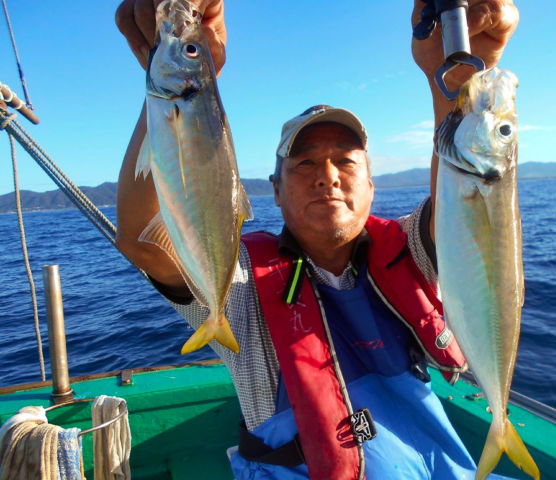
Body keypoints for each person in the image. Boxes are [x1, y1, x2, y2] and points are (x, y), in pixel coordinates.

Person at [115, 1, 519, 478]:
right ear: (275, 191)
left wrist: (456, 77)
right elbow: (146, 244)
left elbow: (468, 206)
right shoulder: (241, 289)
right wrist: (187, 84)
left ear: (372, 185)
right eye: (304, 162)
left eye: (345, 161)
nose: (327, 176)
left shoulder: (412, 251)